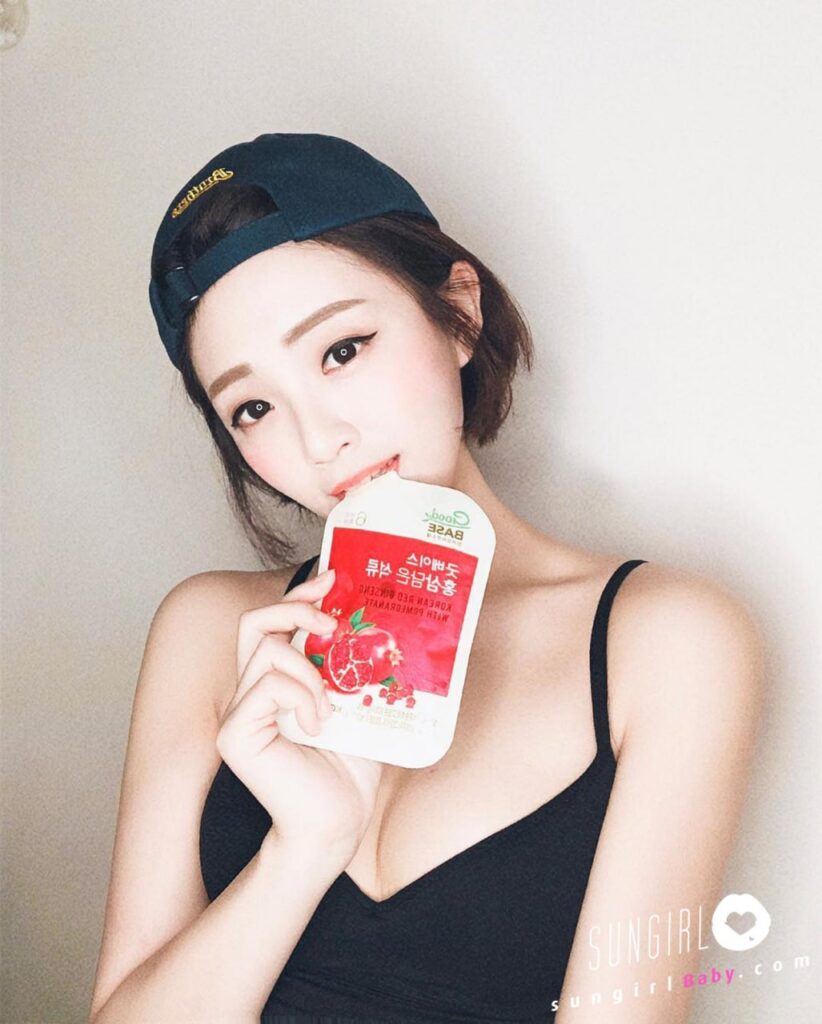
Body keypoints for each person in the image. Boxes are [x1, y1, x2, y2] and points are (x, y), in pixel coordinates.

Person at [88, 133, 764, 1024]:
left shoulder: (668, 642)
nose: (320, 440)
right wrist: (302, 850)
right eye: (252, 407)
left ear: (457, 313)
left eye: (341, 350)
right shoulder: (211, 631)